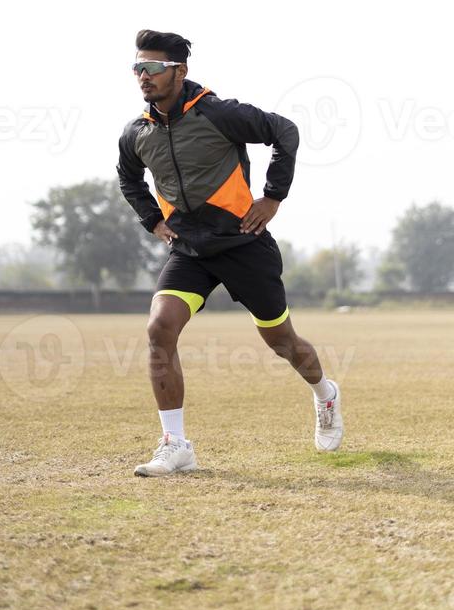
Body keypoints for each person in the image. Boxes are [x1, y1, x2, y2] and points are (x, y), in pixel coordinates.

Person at [117, 29, 343, 477]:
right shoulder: (136, 132)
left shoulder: (219, 113)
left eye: (153, 68)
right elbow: (129, 178)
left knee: (283, 343)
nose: (143, 76)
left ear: (179, 71)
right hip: (189, 251)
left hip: (244, 243)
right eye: (137, 68)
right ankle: (175, 444)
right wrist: (153, 221)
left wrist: (272, 197)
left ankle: (325, 394)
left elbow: (285, 131)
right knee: (160, 329)